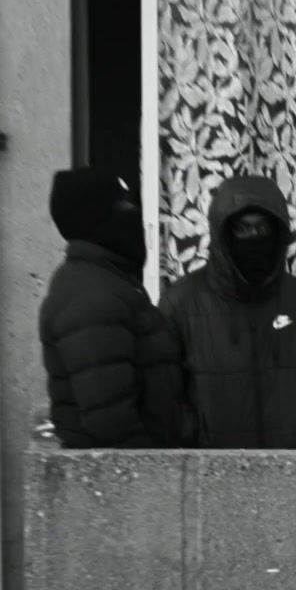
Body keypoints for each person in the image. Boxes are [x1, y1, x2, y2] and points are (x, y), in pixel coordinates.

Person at [160, 175, 296, 448]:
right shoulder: (181, 303)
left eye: (263, 228)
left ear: (278, 232)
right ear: (223, 234)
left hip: (290, 472)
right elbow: (163, 393)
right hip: (211, 476)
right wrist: (196, 441)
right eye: (243, 229)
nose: (254, 238)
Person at [38, 167, 190, 448]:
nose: (133, 216)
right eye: (123, 206)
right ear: (94, 217)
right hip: (125, 480)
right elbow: (109, 419)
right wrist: (153, 468)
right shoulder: (91, 295)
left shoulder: (109, 281)